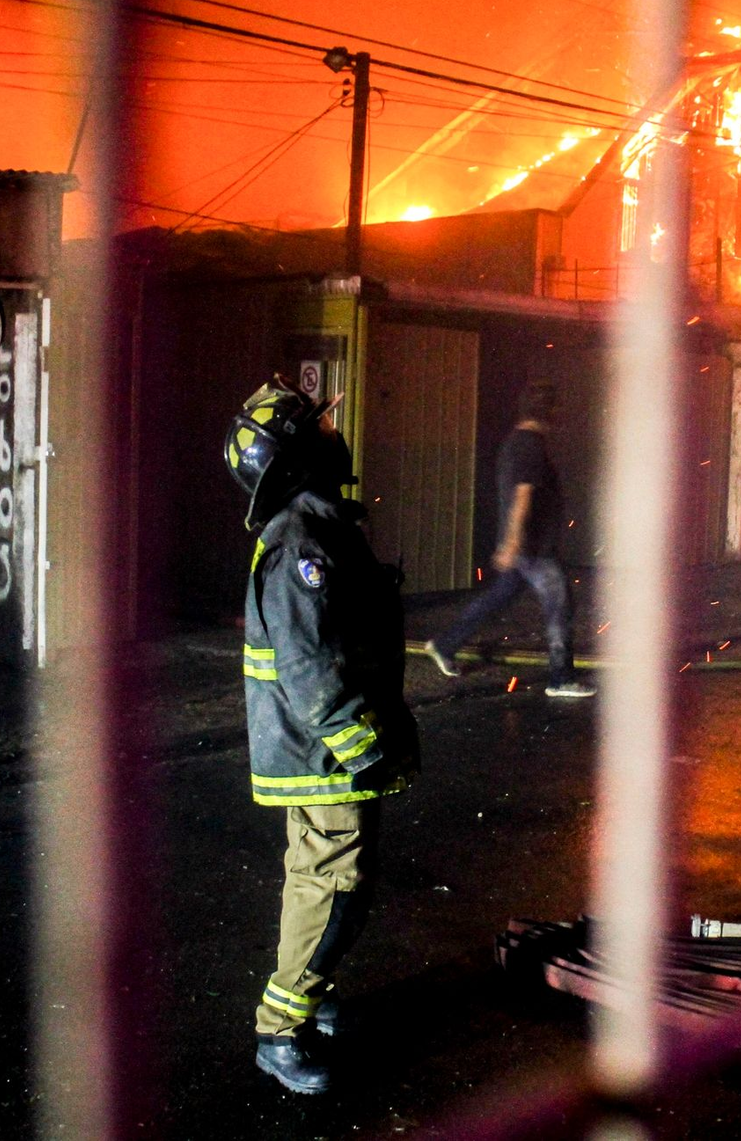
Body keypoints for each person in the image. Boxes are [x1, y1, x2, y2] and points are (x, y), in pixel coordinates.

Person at [224, 374, 419, 1094]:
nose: (336, 434)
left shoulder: (318, 526)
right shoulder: (299, 543)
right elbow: (308, 665)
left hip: (321, 746)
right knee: (334, 881)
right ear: (300, 455)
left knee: (330, 876)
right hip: (322, 751)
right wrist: (357, 740)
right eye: (322, 430)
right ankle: (282, 1029)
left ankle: (311, 991)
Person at [424, 379, 594, 698]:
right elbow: (522, 497)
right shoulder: (530, 445)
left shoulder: (516, 442)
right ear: (548, 411)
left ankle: (446, 644)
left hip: (524, 548)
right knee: (560, 606)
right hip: (534, 548)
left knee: (496, 598)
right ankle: (561, 678)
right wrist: (513, 542)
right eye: (557, 408)